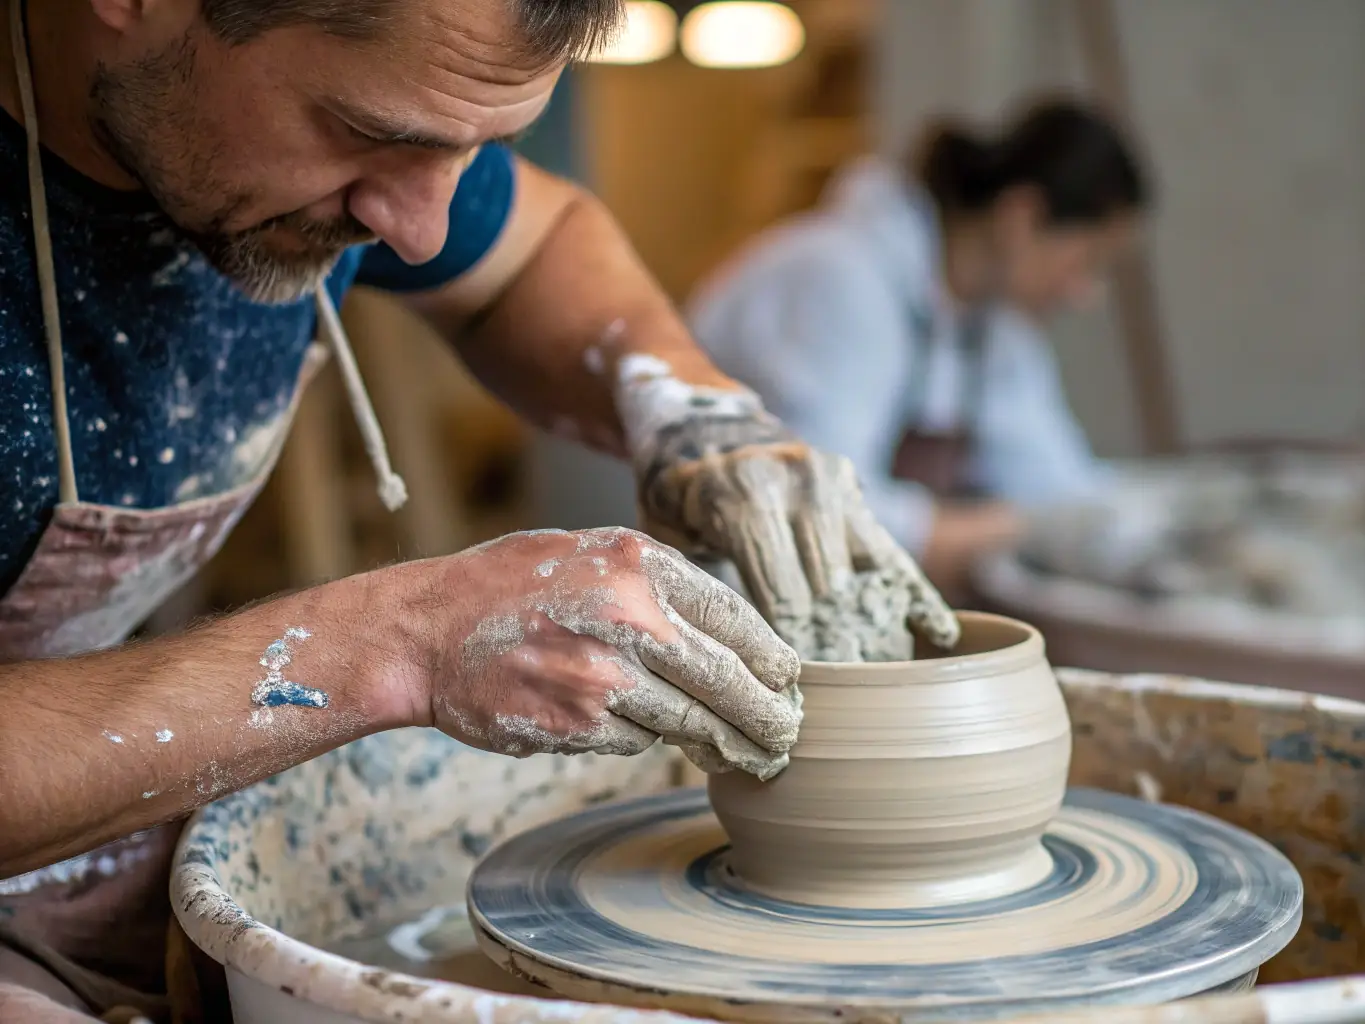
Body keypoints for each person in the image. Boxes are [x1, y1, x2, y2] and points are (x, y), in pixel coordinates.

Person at [0, 0, 958, 1019]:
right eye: (373, 136)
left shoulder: (363, 91)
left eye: (482, 147)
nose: (422, 233)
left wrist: (691, 409)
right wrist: (401, 640)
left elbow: (535, 246)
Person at [688, 96, 1152, 597]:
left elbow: (1058, 484)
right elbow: (814, 511)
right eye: (1088, 261)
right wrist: (1010, 528)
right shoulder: (840, 276)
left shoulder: (995, 331)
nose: (1084, 294)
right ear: (1022, 216)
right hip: (712, 589)